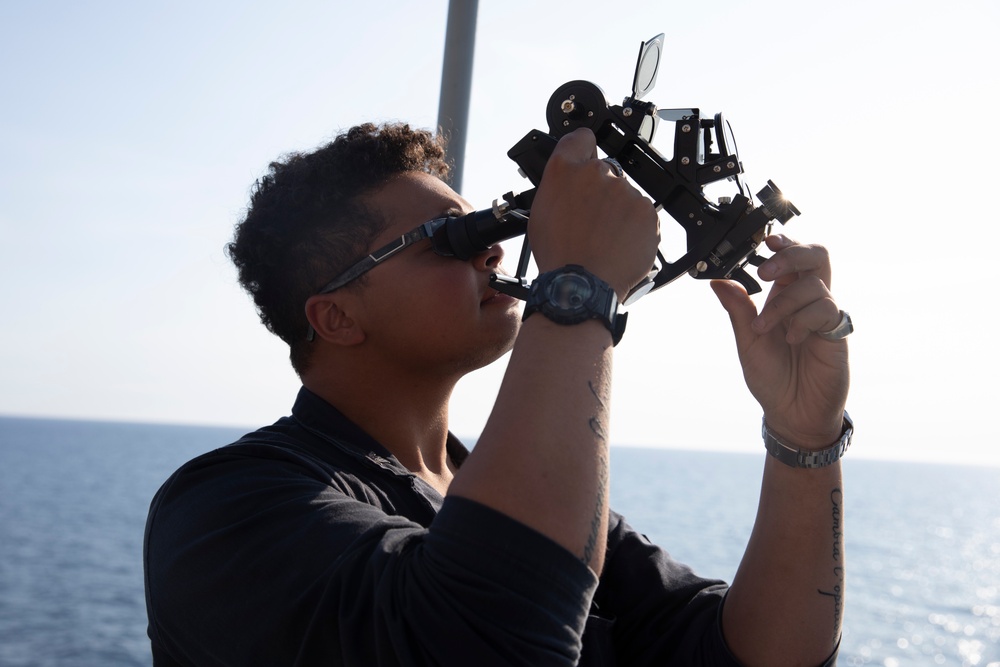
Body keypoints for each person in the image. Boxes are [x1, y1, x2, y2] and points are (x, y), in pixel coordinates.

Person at [144, 122, 852, 666]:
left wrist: (804, 440)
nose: (495, 248)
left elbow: (764, 652)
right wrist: (577, 285)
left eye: (491, 224)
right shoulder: (223, 510)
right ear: (336, 316)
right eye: (449, 238)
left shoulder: (524, 495)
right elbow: (492, 641)